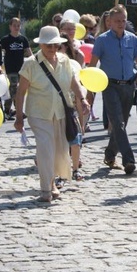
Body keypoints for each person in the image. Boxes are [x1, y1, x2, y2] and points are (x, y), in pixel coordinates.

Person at [14, 26, 89, 202]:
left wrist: (82, 99)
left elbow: (74, 82)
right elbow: (20, 92)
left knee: (58, 150)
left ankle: (53, 184)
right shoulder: (30, 64)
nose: (52, 48)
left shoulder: (65, 61)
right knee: (45, 149)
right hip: (39, 113)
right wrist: (19, 117)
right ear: (40, 44)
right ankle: (45, 190)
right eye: (48, 45)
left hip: (61, 112)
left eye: (55, 45)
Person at [89, 5, 137, 175]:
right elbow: (93, 65)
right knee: (118, 122)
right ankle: (128, 160)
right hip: (110, 85)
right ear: (110, 23)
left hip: (129, 85)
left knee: (122, 123)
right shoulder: (102, 40)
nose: (121, 24)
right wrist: (89, 89)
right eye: (117, 21)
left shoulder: (132, 39)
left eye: (123, 20)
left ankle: (109, 155)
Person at [58, 33, 85, 180]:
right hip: (54, 109)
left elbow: (76, 87)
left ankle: (75, 170)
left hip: (70, 108)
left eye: (60, 46)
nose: (56, 49)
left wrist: (82, 119)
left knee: (75, 140)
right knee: (61, 144)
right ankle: (62, 173)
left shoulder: (70, 65)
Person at [0, 17, 32, 121]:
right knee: (13, 89)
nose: (16, 27)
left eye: (18, 25)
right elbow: (0, 53)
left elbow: (28, 52)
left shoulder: (23, 39)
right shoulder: (5, 40)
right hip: (10, 68)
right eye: (14, 25)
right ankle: (9, 110)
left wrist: (34, 61)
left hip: (21, 68)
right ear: (10, 27)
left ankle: (15, 110)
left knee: (20, 90)